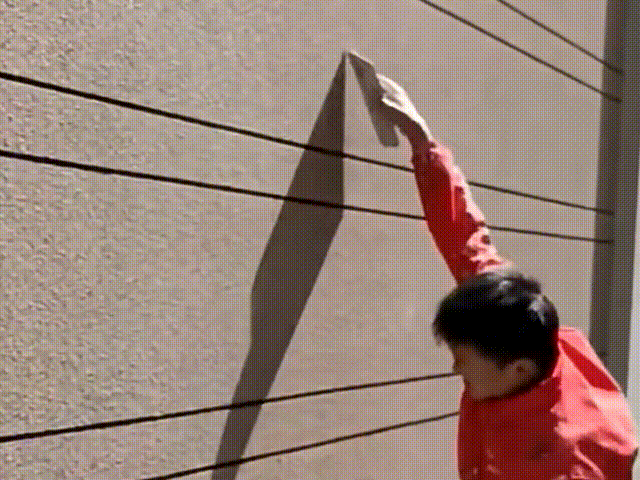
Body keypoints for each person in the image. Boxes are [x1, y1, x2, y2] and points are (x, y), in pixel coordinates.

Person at [350, 52, 639, 479]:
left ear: (517, 369)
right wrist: (422, 141)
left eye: (463, 360)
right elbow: (466, 241)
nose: (455, 369)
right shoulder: (515, 329)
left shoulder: (563, 464)